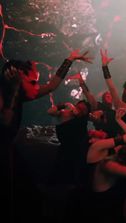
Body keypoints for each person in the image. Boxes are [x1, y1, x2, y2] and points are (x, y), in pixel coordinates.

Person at [0, 50, 92, 222]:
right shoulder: (6, 95)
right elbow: (5, 122)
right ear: (16, 80)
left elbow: (52, 86)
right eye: (33, 82)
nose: (37, 87)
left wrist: (69, 59)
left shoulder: (20, 94)